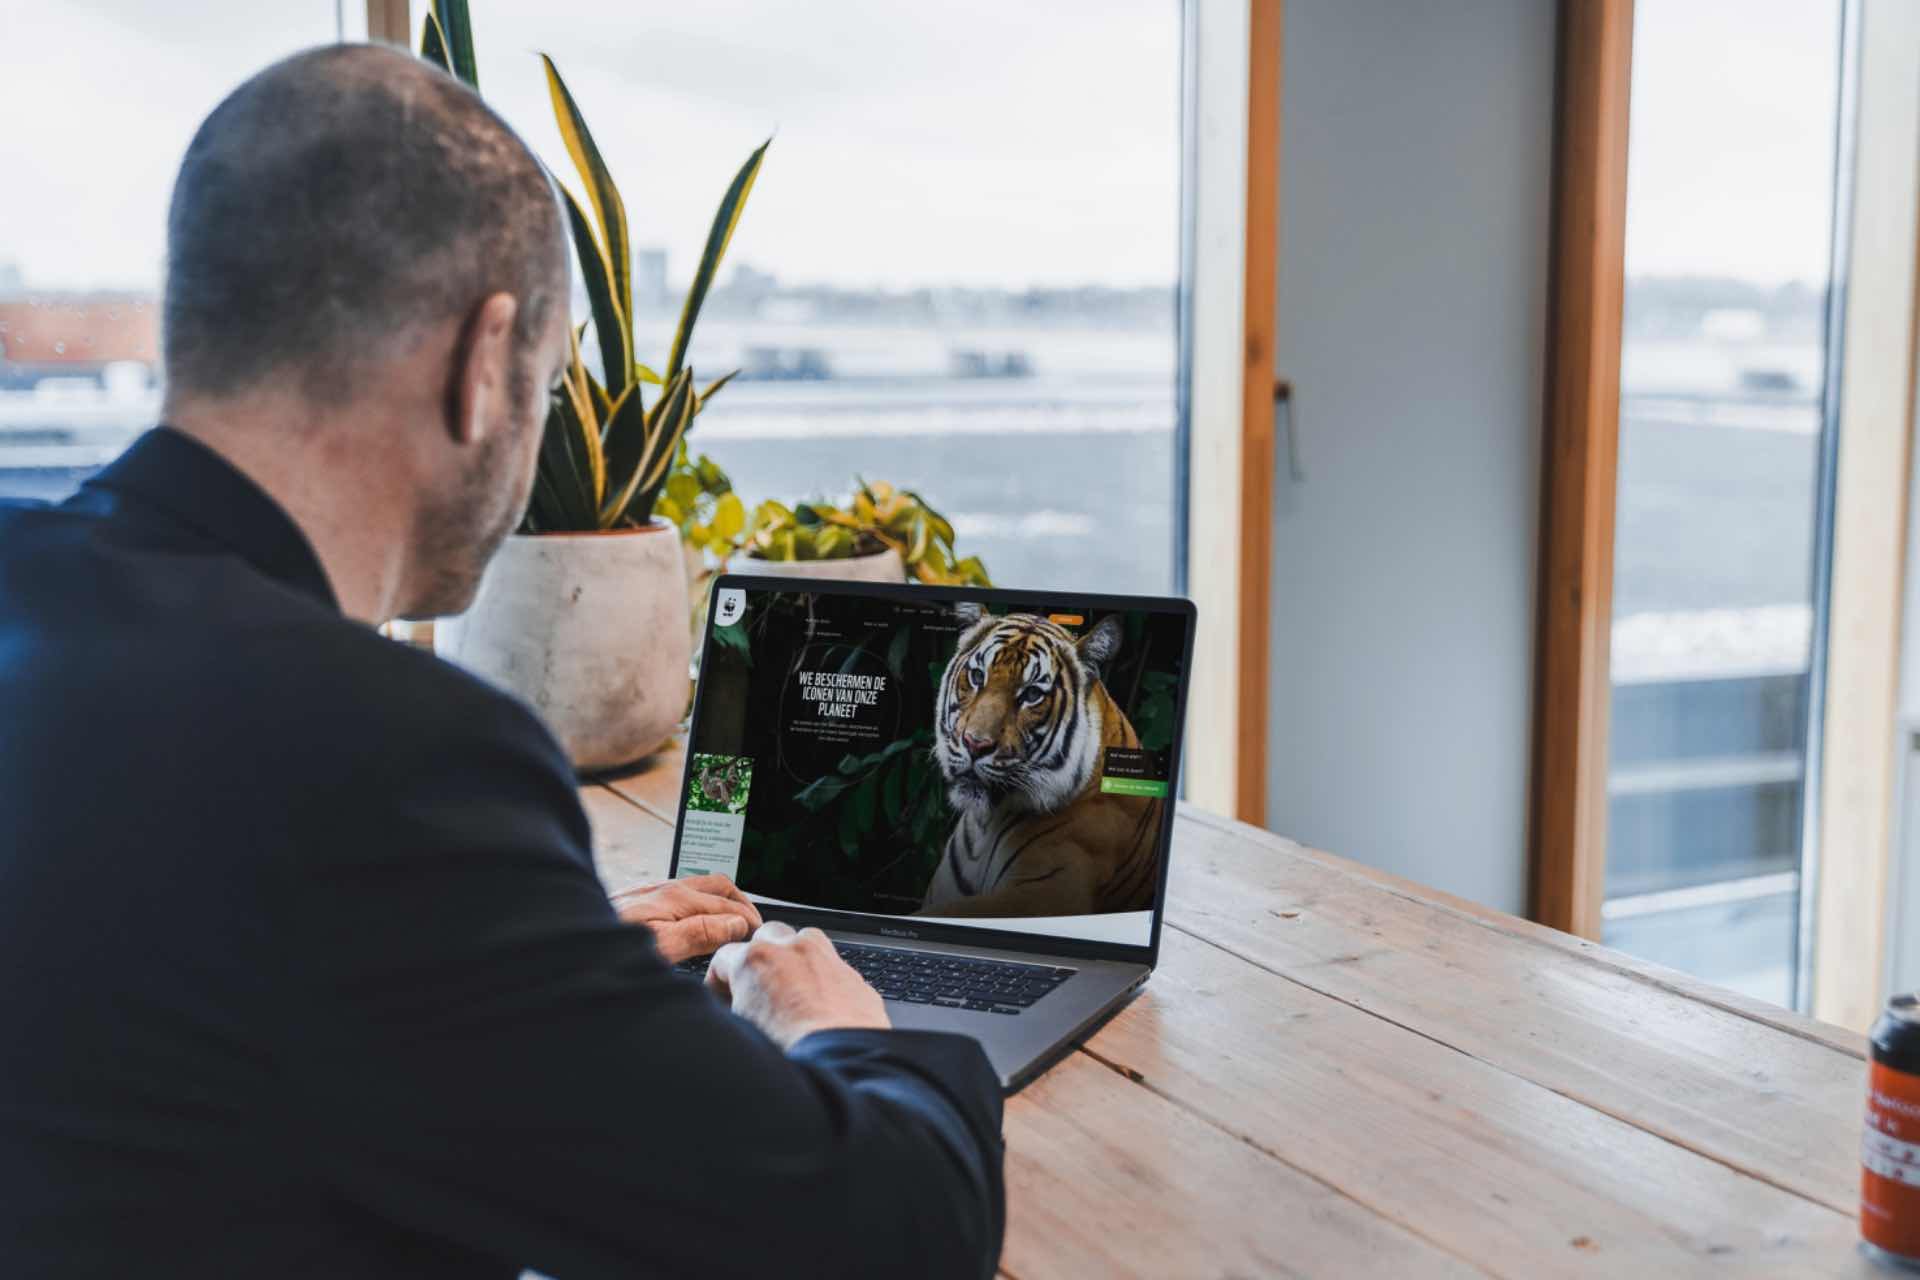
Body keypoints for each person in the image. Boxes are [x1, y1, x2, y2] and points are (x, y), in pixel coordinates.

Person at [0, 44, 1003, 1279]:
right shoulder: (391, 759)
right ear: (485, 365)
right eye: (542, 381)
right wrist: (839, 1024)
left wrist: (536, 964)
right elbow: (888, 1230)